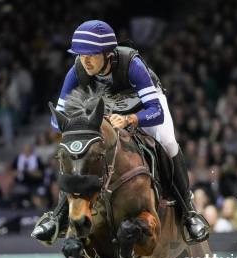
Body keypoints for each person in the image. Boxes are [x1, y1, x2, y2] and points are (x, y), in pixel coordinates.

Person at [32, 20, 208, 243]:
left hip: (144, 109)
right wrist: (84, 124)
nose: (84, 60)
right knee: (80, 152)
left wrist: (130, 119)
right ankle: (58, 216)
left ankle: (188, 212)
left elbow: (157, 112)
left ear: (107, 53)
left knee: (169, 143)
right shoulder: (77, 70)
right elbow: (57, 121)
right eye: (80, 54)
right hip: (108, 114)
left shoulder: (131, 64)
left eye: (92, 54)